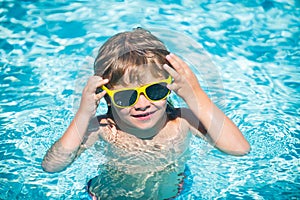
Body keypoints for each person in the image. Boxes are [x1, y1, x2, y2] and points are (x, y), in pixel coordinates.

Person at [42, 27, 250, 199]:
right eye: (126, 96)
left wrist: (195, 94)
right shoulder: (103, 128)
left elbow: (239, 149)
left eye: (154, 90)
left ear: (170, 87)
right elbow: (53, 166)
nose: (142, 104)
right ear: (106, 97)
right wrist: (82, 115)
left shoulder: (182, 121)